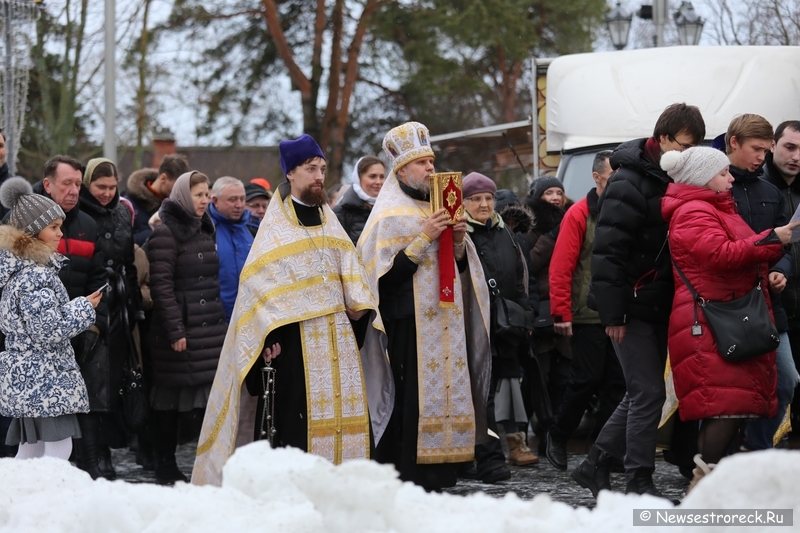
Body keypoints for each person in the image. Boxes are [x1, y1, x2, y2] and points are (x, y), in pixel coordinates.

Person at [192, 134, 393, 487]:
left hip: (339, 346)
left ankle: (351, 498)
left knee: (348, 428)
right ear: (291, 173)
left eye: (322, 169)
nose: (319, 176)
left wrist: (359, 310)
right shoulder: (274, 233)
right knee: (297, 433)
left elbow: (354, 280)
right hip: (295, 352)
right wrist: (268, 338)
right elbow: (258, 295)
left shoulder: (332, 226)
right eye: (311, 169)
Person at [573, 103, 706, 499]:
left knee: (642, 392)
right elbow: (608, 252)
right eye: (683, 145)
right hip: (629, 306)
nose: (686, 155)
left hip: (659, 302)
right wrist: (612, 313)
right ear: (662, 138)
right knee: (648, 393)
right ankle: (638, 481)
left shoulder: (670, 175)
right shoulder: (628, 180)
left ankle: (594, 464)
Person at [359, 121, 491, 491]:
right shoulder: (387, 217)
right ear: (402, 170)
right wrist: (424, 238)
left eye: (432, 161)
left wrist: (461, 241)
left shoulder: (441, 207)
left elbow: (462, 271)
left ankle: (441, 474)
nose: (431, 169)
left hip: (446, 322)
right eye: (423, 164)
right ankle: (406, 478)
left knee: (446, 398)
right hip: (408, 326)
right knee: (410, 404)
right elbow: (379, 282)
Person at [660, 146, 797, 487]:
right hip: (713, 321)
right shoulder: (694, 211)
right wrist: (772, 239)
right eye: (724, 173)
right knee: (725, 408)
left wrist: (772, 262)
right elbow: (719, 255)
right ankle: (701, 485)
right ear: (704, 178)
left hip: (728, 316)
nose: (731, 178)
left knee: (734, 407)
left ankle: (714, 485)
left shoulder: (715, 206)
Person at [0, 177, 102, 462]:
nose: (60, 234)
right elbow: (48, 330)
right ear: (33, 232)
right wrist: (84, 307)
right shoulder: (36, 275)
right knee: (58, 449)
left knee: (30, 448)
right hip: (45, 375)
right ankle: (44, 501)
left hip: (29, 375)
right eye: (53, 227)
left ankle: (14, 498)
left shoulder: (17, 271)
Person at [723, 115, 799, 452]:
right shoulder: (715, 188)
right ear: (733, 142)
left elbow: (786, 244)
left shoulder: (770, 191)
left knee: (786, 380)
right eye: (757, 149)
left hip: (770, 303)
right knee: (726, 390)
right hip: (725, 304)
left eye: (765, 150)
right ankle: (717, 457)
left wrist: (780, 269)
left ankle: (759, 452)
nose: (760, 157)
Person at [546, 151, 626, 472]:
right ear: (596, 178)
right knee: (586, 380)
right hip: (587, 311)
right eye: (612, 176)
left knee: (617, 385)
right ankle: (558, 434)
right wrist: (561, 312)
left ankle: (605, 452)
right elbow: (561, 266)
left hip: (618, 312)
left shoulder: (623, 211)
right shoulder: (579, 213)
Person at [32, 155, 110, 479]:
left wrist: (92, 325)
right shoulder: (26, 224)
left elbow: (98, 278)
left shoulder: (89, 225)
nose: (75, 191)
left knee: (85, 404)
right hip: (40, 340)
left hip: (80, 332)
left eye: (78, 184)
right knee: (39, 426)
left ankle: (89, 470)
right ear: (48, 184)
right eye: (67, 183)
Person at [147, 171, 227, 484]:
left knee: (202, 403)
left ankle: (203, 464)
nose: (204, 200)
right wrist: (176, 330)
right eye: (198, 195)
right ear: (182, 195)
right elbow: (161, 286)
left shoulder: (205, 229)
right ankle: (164, 464)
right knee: (171, 402)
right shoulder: (166, 233)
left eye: (207, 195)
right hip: (180, 332)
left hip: (206, 331)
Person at [463, 172, 537, 482]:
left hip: (505, 327)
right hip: (473, 325)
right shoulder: (460, 236)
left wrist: (526, 315)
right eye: (476, 198)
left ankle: (478, 457)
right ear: (464, 202)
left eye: (488, 198)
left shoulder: (504, 231)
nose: (484, 204)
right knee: (481, 395)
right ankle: (489, 461)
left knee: (490, 391)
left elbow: (519, 278)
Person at [79, 158, 144, 479]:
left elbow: (129, 262)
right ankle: (93, 459)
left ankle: (106, 455)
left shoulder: (122, 211)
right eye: (99, 187)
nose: (106, 193)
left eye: (111, 187)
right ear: (87, 184)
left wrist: (135, 305)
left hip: (120, 306)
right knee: (93, 386)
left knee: (114, 383)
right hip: (91, 303)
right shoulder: (77, 210)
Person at [524, 175, 573, 448]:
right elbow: (527, 264)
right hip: (541, 311)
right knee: (539, 378)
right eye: (549, 193)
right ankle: (538, 428)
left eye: (559, 192)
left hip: (566, 310)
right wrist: (550, 239)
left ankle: (554, 432)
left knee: (563, 377)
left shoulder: (572, 220)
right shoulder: (529, 227)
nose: (555, 197)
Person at [761, 120, 800, 435]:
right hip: (772, 303)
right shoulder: (759, 188)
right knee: (779, 383)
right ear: (773, 145)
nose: (797, 156)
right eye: (790, 147)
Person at [207, 177, 254, 321]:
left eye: (242, 199)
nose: (239, 205)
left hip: (249, 318)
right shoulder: (205, 230)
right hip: (214, 320)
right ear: (215, 200)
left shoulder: (253, 230)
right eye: (232, 200)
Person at [126, 154, 190, 246]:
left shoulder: (179, 208)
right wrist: (156, 232)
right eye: (177, 186)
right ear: (163, 178)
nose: (179, 191)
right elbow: (122, 244)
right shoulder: (129, 204)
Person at [333, 156, 386, 244]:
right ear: (358, 178)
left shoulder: (391, 207)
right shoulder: (342, 212)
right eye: (372, 176)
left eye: (382, 177)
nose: (378, 182)